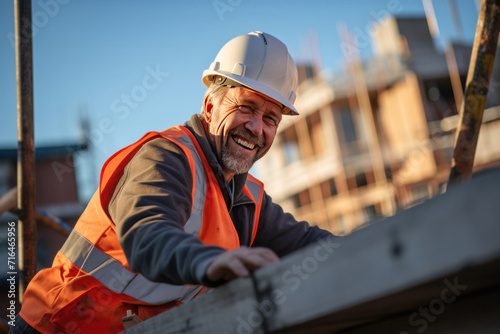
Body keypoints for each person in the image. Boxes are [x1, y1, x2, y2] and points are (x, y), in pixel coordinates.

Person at [12, 31, 334, 334]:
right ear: (210, 107)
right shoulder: (166, 158)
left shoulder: (247, 200)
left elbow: (311, 245)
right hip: (52, 327)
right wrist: (210, 262)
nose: (255, 127)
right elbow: (146, 234)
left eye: (269, 119)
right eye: (245, 108)